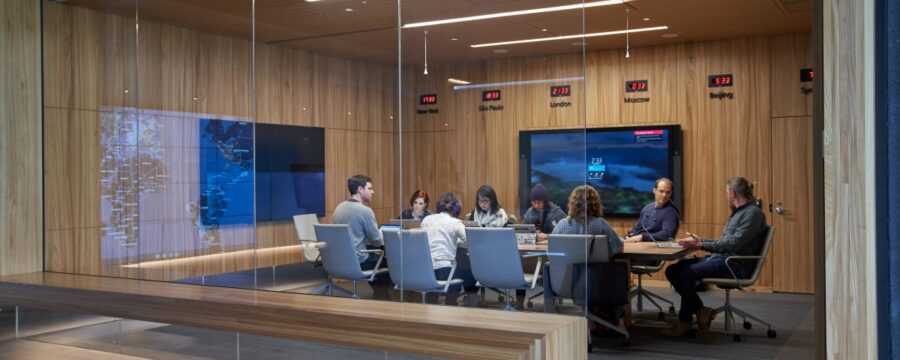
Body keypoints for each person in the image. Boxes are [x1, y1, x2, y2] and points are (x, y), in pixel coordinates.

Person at [662, 176, 768, 337]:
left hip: (734, 264)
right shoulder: (739, 213)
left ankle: (684, 322)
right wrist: (699, 241)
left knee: (685, 274)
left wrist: (701, 245)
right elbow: (724, 242)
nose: (726, 195)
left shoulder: (753, 214)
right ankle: (701, 310)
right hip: (721, 259)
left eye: (726, 192)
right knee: (673, 270)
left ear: (732, 193)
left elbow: (733, 244)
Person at [547, 185, 626, 330]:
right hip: (597, 284)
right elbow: (619, 247)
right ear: (595, 203)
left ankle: (550, 317)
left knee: (546, 268)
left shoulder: (562, 225)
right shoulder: (601, 225)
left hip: (566, 283)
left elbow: (552, 253)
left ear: (573, 202)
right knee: (618, 270)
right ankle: (619, 323)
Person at [332, 174, 392, 300]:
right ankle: (383, 296)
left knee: (378, 259)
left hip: (341, 261)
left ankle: (379, 295)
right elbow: (376, 241)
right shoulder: (365, 211)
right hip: (359, 262)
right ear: (360, 189)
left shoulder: (339, 208)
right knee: (390, 262)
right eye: (369, 189)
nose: (373, 192)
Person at [419, 192, 479, 306]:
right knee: (467, 271)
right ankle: (452, 305)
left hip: (426, 269)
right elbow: (471, 242)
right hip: (446, 270)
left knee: (433, 287)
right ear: (456, 208)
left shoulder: (426, 220)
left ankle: (432, 305)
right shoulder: (455, 223)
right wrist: (457, 241)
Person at [624, 178, 680, 243]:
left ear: (671, 193)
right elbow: (636, 229)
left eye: (668, 192)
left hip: (655, 249)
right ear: (654, 190)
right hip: (639, 245)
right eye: (661, 191)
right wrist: (628, 236)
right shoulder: (647, 208)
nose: (664, 195)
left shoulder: (671, 211)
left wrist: (642, 237)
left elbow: (667, 234)